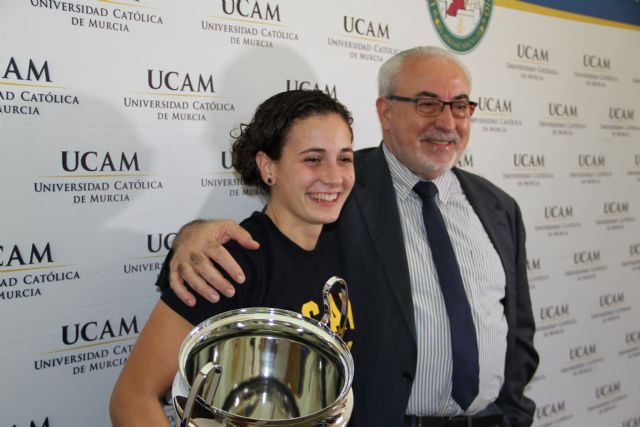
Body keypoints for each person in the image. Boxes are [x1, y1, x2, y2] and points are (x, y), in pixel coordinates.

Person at [164, 46, 539, 427]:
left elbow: (518, 327)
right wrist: (193, 236)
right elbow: (277, 239)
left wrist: (514, 412)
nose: (446, 121)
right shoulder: (339, 192)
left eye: (459, 106)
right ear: (385, 111)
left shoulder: (498, 206)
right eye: (427, 104)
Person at [109, 89, 356, 426]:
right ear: (267, 167)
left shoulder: (342, 243)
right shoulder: (229, 263)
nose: (334, 176)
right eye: (312, 159)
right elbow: (133, 397)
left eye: (344, 158)